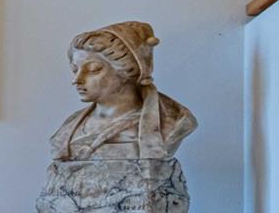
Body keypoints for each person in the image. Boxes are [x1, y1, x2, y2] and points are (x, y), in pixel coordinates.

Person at [49, 21, 197, 161]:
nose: (76, 79)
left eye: (93, 69)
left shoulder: (171, 122)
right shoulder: (69, 128)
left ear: (126, 71)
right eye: (75, 70)